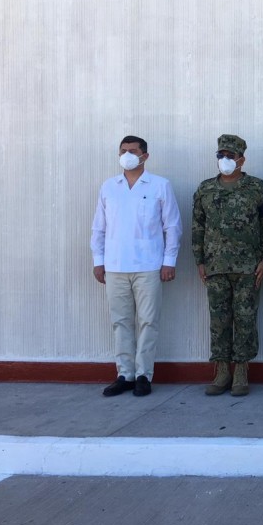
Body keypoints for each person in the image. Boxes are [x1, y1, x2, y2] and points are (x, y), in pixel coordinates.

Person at [91, 136, 182, 397]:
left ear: (145, 156)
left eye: (133, 151)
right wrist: (99, 261)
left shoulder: (159, 186)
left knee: (148, 321)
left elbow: (172, 227)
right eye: (123, 151)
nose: (127, 155)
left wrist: (169, 261)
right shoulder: (109, 187)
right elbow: (99, 227)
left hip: (149, 265)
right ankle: (125, 374)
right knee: (120, 322)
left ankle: (144, 374)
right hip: (115, 265)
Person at [192, 134, 263, 397]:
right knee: (218, 320)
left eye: (230, 156)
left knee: (245, 318)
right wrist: (200, 261)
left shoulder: (257, 187)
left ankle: (241, 370)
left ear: (242, 159)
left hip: (247, 267)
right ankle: (221, 371)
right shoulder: (205, 189)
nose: (225, 160)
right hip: (216, 266)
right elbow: (197, 226)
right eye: (221, 156)